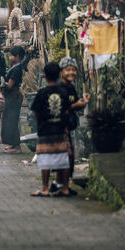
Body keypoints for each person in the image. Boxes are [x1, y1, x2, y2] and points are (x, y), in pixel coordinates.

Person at [30, 61, 71, 197]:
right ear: (59, 74)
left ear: (44, 75)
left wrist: (41, 123)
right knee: (63, 158)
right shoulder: (63, 92)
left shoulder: (42, 93)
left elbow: (36, 111)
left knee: (45, 158)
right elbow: (66, 111)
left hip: (45, 129)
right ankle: (65, 188)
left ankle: (45, 188)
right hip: (60, 128)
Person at [51, 56, 89, 190]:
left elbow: (74, 105)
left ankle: (59, 184)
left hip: (67, 126)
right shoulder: (59, 87)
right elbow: (59, 109)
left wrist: (82, 104)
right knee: (66, 157)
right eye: (68, 70)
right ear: (61, 72)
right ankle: (62, 187)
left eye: (73, 70)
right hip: (59, 127)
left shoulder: (71, 87)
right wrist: (75, 106)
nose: (71, 72)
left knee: (67, 157)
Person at [1, 44, 27, 153]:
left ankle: (17, 146)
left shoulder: (17, 69)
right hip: (11, 97)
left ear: (17, 56)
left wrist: (2, 83)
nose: (9, 57)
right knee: (8, 120)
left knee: (12, 120)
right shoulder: (15, 67)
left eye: (11, 56)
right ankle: (12, 144)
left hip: (13, 97)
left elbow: (10, 85)